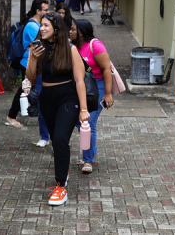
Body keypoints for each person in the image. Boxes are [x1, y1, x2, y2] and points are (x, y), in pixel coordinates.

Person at [25, 12, 90, 205]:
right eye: (41, 25)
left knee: (61, 139)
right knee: (56, 141)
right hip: (47, 99)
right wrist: (33, 59)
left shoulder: (70, 49)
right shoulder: (37, 48)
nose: (42, 29)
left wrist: (84, 109)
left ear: (56, 28)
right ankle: (64, 170)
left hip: (68, 98)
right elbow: (29, 77)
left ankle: (60, 186)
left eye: (46, 25)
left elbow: (79, 80)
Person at [70, 19, 114, 174]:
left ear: (81, 32)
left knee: (88, 122)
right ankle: (91, 151)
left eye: (73, 29)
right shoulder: (73, 47)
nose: (70, 31)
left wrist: (108, 94)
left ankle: (88, 160)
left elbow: (106, 70)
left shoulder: (95, 45)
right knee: (78, 121)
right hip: (82, 87)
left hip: (98, 86)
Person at [5, 0, 48, 128]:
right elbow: (42, 44)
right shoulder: (32, 26)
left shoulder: (37, 24)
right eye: (45, 10)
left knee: (26, 89)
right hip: (28, 62)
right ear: (38, 11)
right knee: (24, 89)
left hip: (33, 62)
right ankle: (11, 116)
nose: (47, 12)